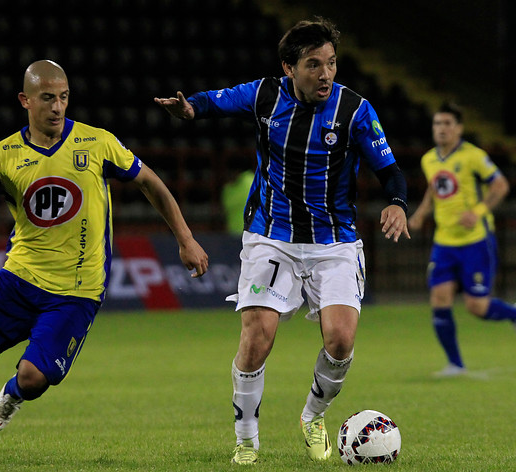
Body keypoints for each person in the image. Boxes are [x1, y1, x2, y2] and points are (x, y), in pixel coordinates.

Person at [0, 60, 209, 466]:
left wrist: (186, 238)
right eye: (48, 98)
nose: (58, 107)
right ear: (25, 100)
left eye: (64, 98)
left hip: (76, 290)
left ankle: (12, 395)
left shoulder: (97, 143)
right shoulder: (1, 156)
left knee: (33, 378)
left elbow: (149, 182)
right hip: (18, 279)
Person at [155, 17, 409, 465]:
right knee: (258, 336)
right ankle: (247, 440)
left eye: (331, 63)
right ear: (289, 68)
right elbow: (216, 102)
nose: (326, 74)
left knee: (341, 341)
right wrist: (189, 109)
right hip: (272, 237)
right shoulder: (266, 95)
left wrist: (396, 202)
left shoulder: (355, 110)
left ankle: (313, 416)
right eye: (314, 65)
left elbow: (390, 171)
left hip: (335, 242)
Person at [408, 101, 515, 377]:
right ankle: (455, 364)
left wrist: (478, 212)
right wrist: (420, 214)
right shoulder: (429, 159)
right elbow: (434, 189)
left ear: (459, 128)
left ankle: (512, 313)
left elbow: (501, 185)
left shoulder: (473, 156)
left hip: (475, 240)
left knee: (476, 306)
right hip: (444, 242)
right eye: (437, 123)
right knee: (439, 298)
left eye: (447, 124)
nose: (441, 129)